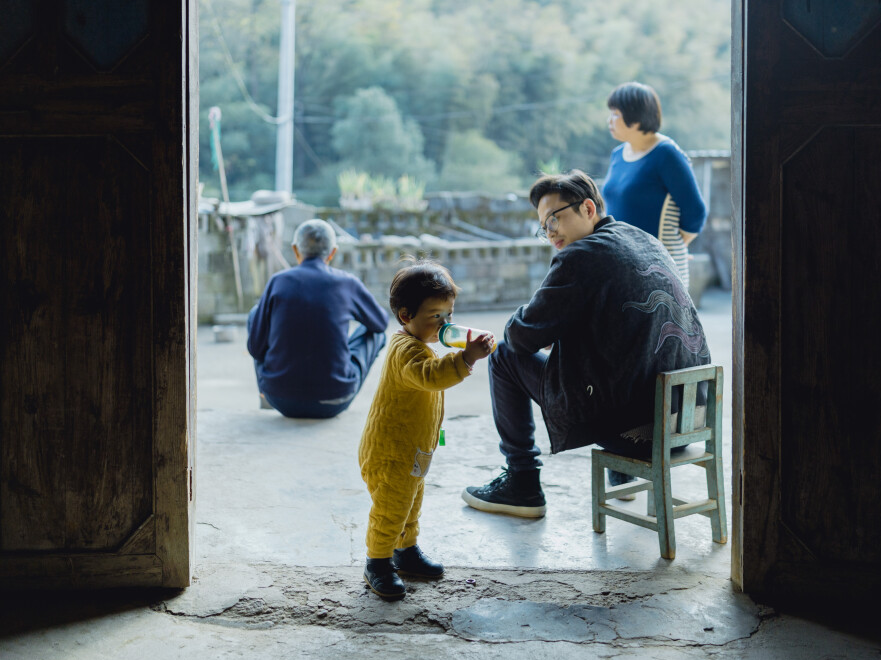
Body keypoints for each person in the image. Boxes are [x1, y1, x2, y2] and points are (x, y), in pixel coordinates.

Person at [462, 170, 711, 518]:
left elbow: (521, 337)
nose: (550, 232)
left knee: (504, 357)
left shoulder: (581, 257)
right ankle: (622, 475)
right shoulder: (643, 239)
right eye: (543, 226)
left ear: (588, 208)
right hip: (690, 421)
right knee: (605, 347)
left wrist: (533, 314)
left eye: (555, 218)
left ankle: (522, 483)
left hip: (641, 434)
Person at [359, 259, 494, 600]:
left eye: (449, 315)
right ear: (406, 315)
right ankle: (377, 561)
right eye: (436, 316)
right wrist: (466, 359)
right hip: (391, 452)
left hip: (415, 450)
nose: (445, 324)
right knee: (391, 508)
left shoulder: (423, 345)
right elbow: (430, 377)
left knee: (411, 504)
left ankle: (405, 551)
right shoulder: (405, 351)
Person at [247, 219, 389, 419]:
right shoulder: (346, 283)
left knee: (256, 314)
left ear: (296, 250)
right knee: (375, 333)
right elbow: (380, 323)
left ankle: (265, 393)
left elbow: (255, 348)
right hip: (334, 401)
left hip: (280, 399)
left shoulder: (278, 281)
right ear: (332, 252)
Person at [602, 81, 707, 290]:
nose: (609, 120)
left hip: (660, 268)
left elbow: (695, 211)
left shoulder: (666, 154)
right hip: (620, 263)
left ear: (635, 115)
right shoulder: (617, 155)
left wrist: (674, 245)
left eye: (615, 113)